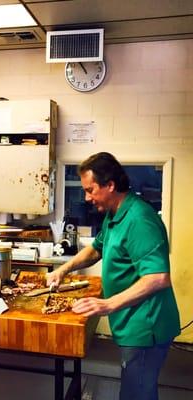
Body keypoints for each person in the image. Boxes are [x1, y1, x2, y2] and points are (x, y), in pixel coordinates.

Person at [46, 152, 180, 400]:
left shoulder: (139, 220)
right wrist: (63, 269)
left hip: (146, 325)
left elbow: (158, 277)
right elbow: (96, 248)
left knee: (136, 393)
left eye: (91, 190)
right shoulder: (115, 213)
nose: (86, 197)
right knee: (136, 388)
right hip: (130, 321)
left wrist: (107, 304)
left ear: (110, 185)